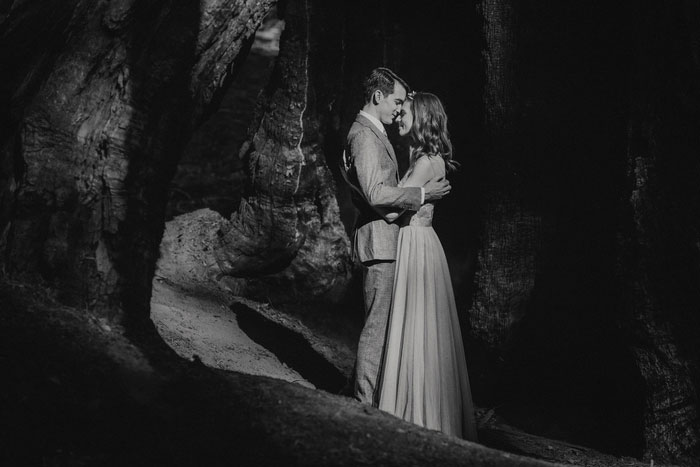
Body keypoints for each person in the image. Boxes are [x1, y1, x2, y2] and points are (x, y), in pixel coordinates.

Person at [342, 68, 451, 406]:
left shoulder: (376, 134)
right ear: (378, 97)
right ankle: (364, 402)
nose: (399, 110)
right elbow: (376, 192)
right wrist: (421, 196)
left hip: (394, 244)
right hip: (382, 243)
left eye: (404, 105)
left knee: (387, 328)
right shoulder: (364, 135)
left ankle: (376, 400)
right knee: (378, 328)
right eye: (397, 102)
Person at [377, 92, 478, 441]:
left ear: (422, 119)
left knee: (417, 325)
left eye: (407, 112)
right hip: (418, 242)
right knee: (416, 326)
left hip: (416, 244)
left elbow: (392, 208)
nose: (401, 115)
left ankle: (415, 415)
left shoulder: (425, 164)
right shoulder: (423, 158)